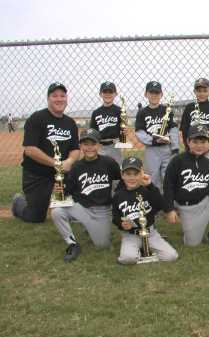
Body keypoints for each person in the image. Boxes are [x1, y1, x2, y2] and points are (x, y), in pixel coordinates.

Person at [12, 82, 80, 223]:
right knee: (35, 217)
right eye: (54, 96)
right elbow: (30, 149)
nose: (59, 99)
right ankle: (18, 202)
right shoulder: (37, 118)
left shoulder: (70, 123)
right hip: (37, 174)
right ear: (48, 99)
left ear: (66, 99)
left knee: (75, 214)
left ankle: (64, 199)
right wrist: (55, 163)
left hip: (61, 174)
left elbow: (75, 149)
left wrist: (69, 161)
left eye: (62, 95)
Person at [51, 129, 121, 262]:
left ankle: (92, 228)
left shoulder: (109, 163)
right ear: (81, 146)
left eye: (93, 144)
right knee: (57, 212)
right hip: (82, 208)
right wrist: (60, 189)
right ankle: (72, 244)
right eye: (85, 144)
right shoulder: (76, 167)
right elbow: (68, 189)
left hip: (103, 210)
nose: (89, 148)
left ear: (99, 145)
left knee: (102, 245)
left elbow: (122, 180)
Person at [112, 156, 178, 264]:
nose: (132, 178)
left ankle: (147, 246)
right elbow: (115, 216)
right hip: (130, 234)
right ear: (122, 175)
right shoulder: (118, 195)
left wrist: (150, 185)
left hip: (150, 232)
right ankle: (138, 249)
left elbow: (162, 204)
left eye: (136, 174)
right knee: (127, 259)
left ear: (142, 174)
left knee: (171, 256)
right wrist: (121, 223)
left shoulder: (148, 190)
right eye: (128, 174)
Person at [134, 81, 179, 190]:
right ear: (146, 94)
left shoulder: (166, 110)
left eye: (157, 93)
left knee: (168, 176)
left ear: (161, 94)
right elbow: (139, 132)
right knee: (152, 177)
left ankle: (168, 203)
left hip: (166, 149)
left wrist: (175, 147)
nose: (154, 95)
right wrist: (153, 141)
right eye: (151, 93)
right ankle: (155, 202)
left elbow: (173, 128)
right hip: (151, 149)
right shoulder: (142, 112)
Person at [180, 78, 209, 149]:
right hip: (192, 144)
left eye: (205, 91)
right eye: (199, 91)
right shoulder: (189, 107)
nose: (202, 93)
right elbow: (184, 128)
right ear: (194, 91)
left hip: (208, 144)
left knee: (206, 160)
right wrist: (187, 144)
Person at [90, 81, 123, 164]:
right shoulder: (96, 113)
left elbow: (123, 129)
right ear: (100, 94)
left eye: (110, 92)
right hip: (101, 146)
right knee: (101, 170)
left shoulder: (119, 111)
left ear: (115, 94)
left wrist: (124, 132)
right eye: (105, 92)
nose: (107, 94)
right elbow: (93, 131)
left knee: (116, 170)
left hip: (115, 145)